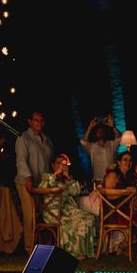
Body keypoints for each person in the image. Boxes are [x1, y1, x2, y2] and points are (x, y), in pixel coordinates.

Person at [37, 154, 97, 259]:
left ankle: (84, 251)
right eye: (58, 163)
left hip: (67, 210)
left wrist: (68, 177)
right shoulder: (47, 177)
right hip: (53, 212)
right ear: (53, 165)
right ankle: (70, 253)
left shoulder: (66, 180)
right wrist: (56, 174)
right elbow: (41, 188)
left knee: (89, 218)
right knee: (72, 222)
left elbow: (76, 191)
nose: (61, 165)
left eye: (63, 163)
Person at [15, 110, 54, 254]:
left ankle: (43, 246)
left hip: (41, 185)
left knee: (43, 214)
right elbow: (21, 160)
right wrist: (28, 177)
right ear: (30, 122)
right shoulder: (23, 139)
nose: (39, 123)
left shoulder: (47, 140)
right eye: (36, 120)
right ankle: (29, 249)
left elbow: (49, 163)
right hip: (25, 182)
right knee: (30, 215)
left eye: (42, 121)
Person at [103, 151, 137, 256]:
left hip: (125, 211)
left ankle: (124, 246)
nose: (128, 162)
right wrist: (125, 191)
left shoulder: (128, 178)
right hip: (114, 212)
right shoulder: (113, 174)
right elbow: (108, 193)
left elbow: (132, 198)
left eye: (130, 160)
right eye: (125, 160)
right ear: (119, 162)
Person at [80, 115, 122, 183]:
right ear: (95, 134)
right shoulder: (91, 147)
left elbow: (119, 138)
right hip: (97, 180)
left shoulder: (112, 144)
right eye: (98, 132)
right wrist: (90, 127)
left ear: (105, 133)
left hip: (112, 180)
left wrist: (113, 127)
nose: (100, 133)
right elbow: (83, 142)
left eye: (102, 131)